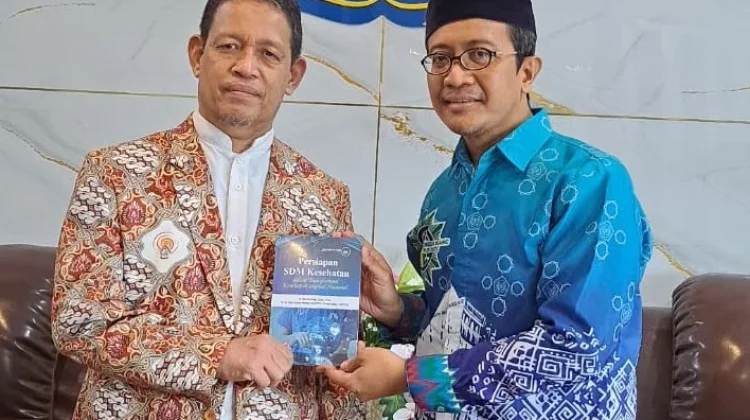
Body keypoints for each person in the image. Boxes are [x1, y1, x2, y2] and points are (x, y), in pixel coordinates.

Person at [318, 0, 653, 419]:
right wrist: (399, 311)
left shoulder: (589, 182)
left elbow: (576, 349)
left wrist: (412, 378)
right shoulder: (444, 192)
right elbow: (452, 323)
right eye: (440, 58)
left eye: (480, 54)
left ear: (527, 72)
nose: (455, 76)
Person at [50, 0, 367, 419]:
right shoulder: (116, 175)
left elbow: (332, 366)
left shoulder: (324, 198)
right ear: (197, 55)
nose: (246, 67)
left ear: (293, 76)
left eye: (268, 54)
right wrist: (217, 354)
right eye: (230, 46)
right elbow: (79, 321)